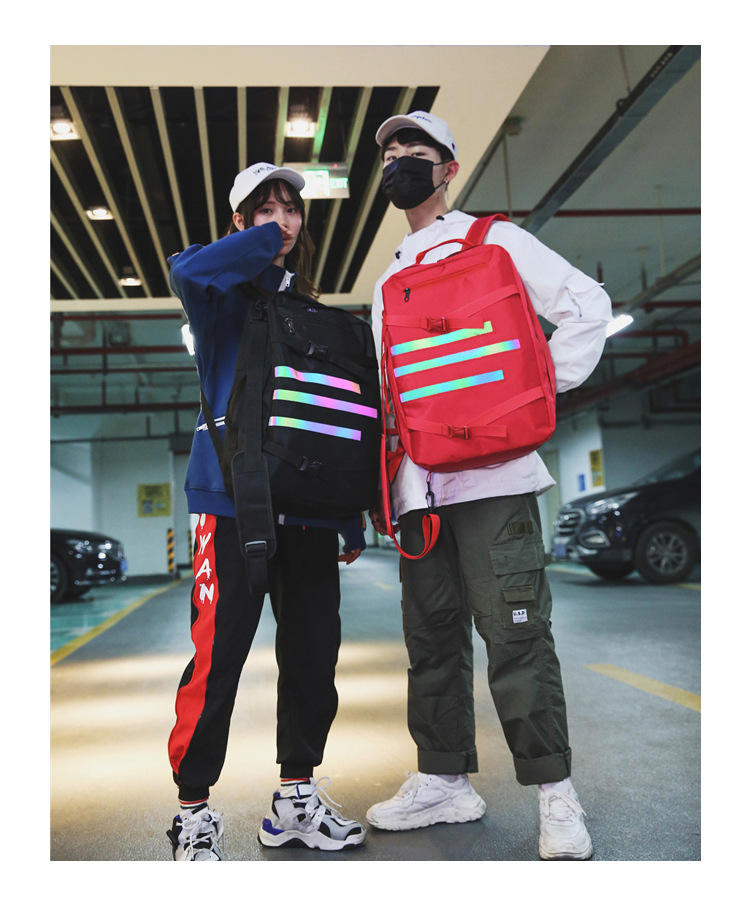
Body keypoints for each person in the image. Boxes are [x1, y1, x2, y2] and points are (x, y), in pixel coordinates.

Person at [366, 112, 612, 860]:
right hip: (419, 494)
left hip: (497, 481)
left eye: (416, 151)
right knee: (430, 640)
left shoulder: (498, 242)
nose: (401, 162)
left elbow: (587, 307)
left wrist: (529, 395)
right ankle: (444, 779)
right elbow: (392, 396)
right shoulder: (388, 280)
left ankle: (555, 793)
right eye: (391, 153)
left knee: (516, 637)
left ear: (449, 168)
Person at [165, 162, 368, 860]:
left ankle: (295, 799)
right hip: (230, 506)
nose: (283, 220)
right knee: (217, 658)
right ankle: (193, 811)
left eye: (292, 210)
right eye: (266, 209)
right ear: (240, 221)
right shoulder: (217, 295)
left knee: (312, 656)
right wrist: (263, 244)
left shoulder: (307, 309)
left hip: (308, 509)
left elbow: (329, 418)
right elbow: (185, 270)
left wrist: (347, 512)